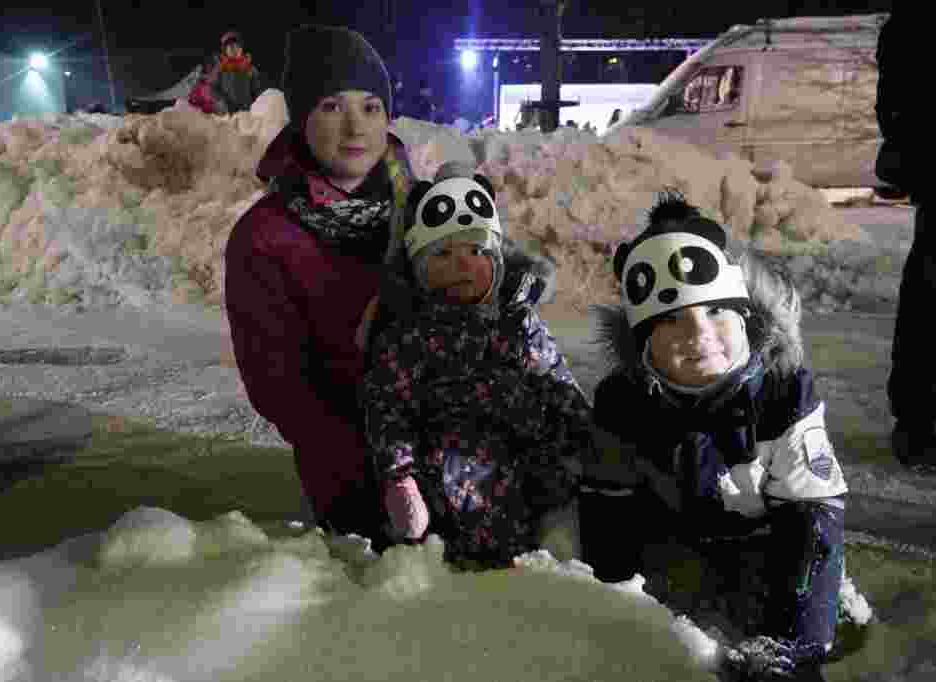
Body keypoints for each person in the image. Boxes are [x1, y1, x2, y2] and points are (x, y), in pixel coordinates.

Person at [584, 191, 848, 680]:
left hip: (768, 549)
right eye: (671, 319)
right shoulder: (621, 405)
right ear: (644, 350)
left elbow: (813, 524)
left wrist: (795, 646)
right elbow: (607, 514)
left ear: (746, 319)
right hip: (672, 550)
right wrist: (615, 613)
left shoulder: (786, 392)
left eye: (715, 312)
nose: (698, 333)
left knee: (811, 614)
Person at [224, 25, 414, 552]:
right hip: (350, 476)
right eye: (332, 106)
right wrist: (376, 462)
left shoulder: (424, 208)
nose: (355, 126)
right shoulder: (265, 237)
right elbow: (280, 383)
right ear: (302, 115)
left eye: (371, 106)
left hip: (458, 458)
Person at [359, 164, 592, 568]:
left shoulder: (518, 323)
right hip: (444, 469)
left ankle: (556, 549)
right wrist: (401, 478)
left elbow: (555, 382)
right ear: (420, 270)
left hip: (523, 463)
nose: (461, 265)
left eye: (476, 252)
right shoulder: (409, 336)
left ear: (498, 261)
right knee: (431, 533)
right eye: (443, 255)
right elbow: (387, 408)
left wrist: (587, 437)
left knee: (557, 499)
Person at [879, 6, 936, 483]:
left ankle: (915, 423)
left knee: (931, 300)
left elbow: (894, 90)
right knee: (933, 300)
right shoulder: (925, 20)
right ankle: (915, 425)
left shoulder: (916, 19)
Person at [211, 30, 265, 114]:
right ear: (225, 51)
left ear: (241, 48)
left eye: (235, 46)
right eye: (229, 47)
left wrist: (258, 106)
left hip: (246, 112)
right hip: (226, 113)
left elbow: (257, 90)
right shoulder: (220, 68)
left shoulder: (250, 68)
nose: (233, 49)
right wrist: (221, 101)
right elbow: (213, 88)